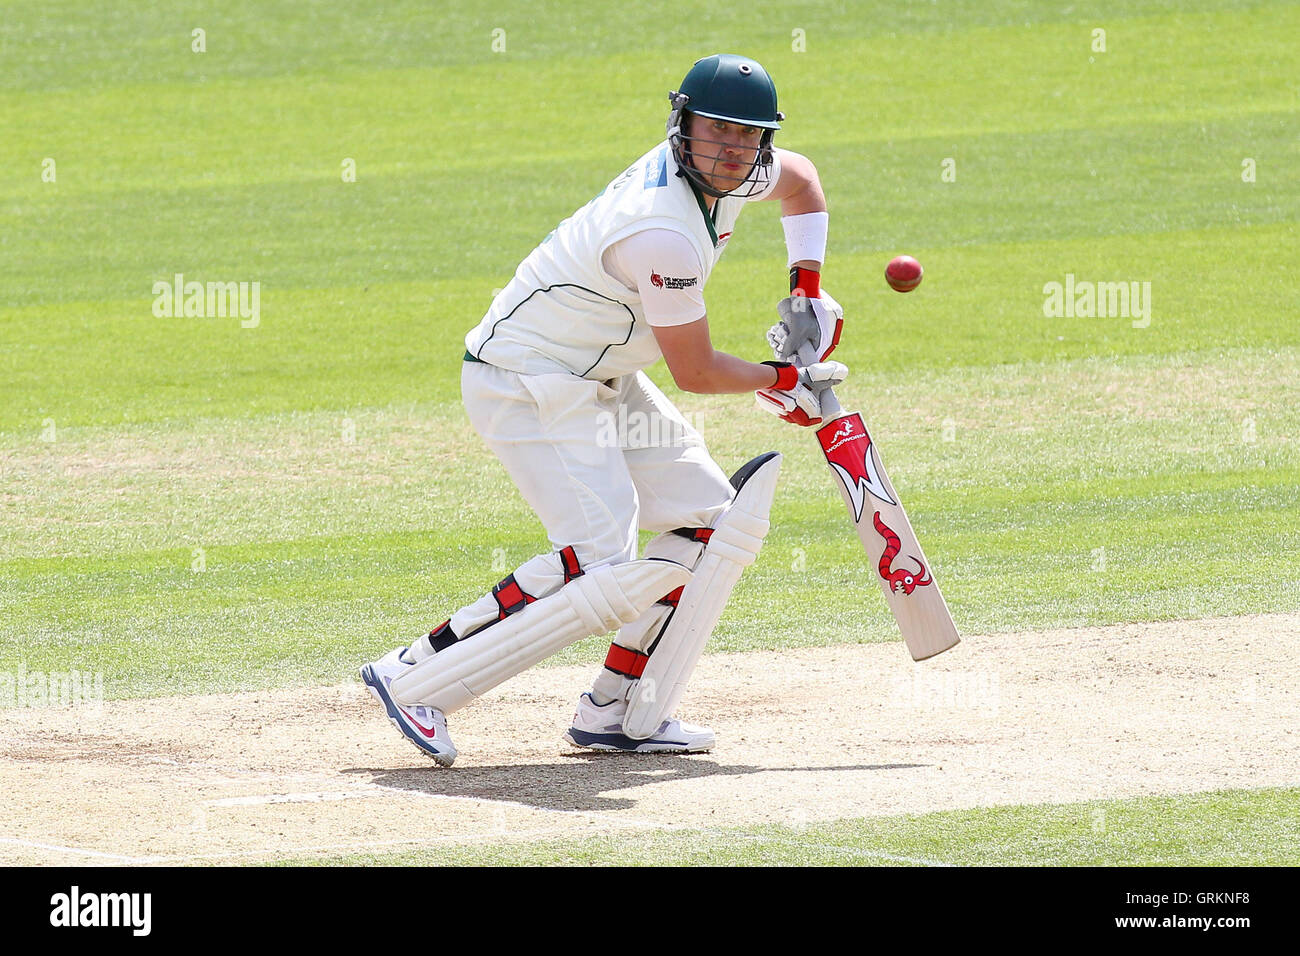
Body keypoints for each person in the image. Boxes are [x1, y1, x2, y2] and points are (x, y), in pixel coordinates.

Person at [360, 53, 847, 766]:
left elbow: (803, 184)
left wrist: (807, 290)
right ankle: (416, 673)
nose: (731, 149)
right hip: (528, 380)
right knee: (599, 558)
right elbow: (697, 370)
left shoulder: (741, 168)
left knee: (710, 525)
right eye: (716, 130)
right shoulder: (661, 230)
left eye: (747, 136)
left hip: (603, 375)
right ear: (682, 125)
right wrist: (781, 378)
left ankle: (618, 708)